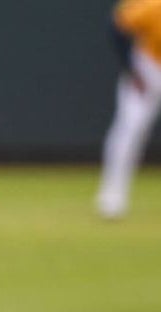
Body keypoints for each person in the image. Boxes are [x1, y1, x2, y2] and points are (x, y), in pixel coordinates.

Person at [97, 0, 161, 220]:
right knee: (129, 129)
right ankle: (112, 198)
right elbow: (117, 26)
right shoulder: (154, 7)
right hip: (149, 68)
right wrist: (132, 71)